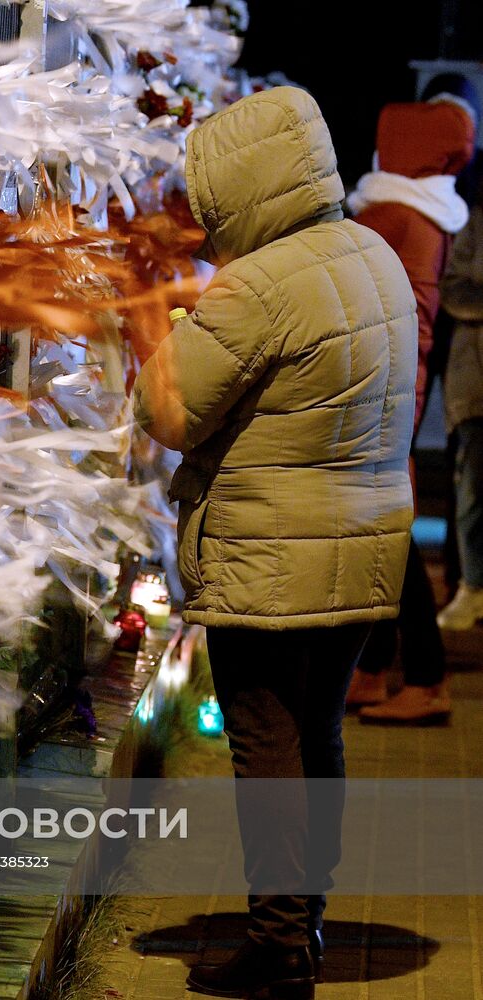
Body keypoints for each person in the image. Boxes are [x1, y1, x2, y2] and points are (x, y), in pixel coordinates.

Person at [134, 87, 416, 998]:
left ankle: (279, 943)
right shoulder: (369, 252)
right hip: (362, 538)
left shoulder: (259, 283)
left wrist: (156, 320)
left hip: (269, 549)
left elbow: (168, 410)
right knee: (316, 726)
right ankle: (308, 915)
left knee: (263, 739)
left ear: (240, 184)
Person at [344, 87, 476, 723]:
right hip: (398, 380)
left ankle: (426, 678)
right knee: (379, 525)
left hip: (377, 383)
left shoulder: (393, 213)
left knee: (386, 533)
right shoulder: (432, 210)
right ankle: (373, 668)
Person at [439, 201, 483, 629]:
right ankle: (472, 587)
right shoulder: (474, 224)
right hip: (476, 385)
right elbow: (452, 289)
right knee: (473, 490)